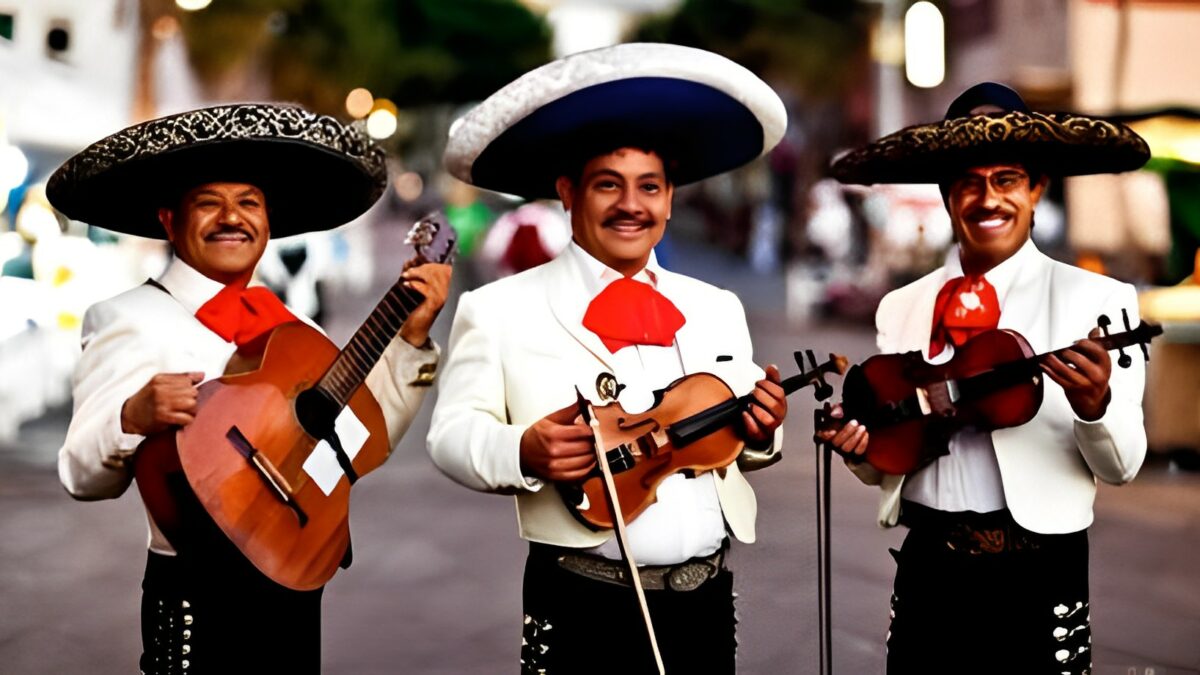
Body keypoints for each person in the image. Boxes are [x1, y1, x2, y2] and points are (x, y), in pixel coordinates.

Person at [48, 104, 450, 675]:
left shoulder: (293, 329)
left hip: (296, 589)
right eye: (209, 202)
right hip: (195, 593)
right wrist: (131, 417)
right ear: (169, 219)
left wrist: (410, 340)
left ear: (268, 222)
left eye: (249, 202)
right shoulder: (127, 317)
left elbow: (362, 440)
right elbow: (79, 475)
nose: (231, 217)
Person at [429, 43, 789, 674]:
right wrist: (524, 451)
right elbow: (452, 435)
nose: (631, 205)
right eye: (607, 185)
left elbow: (728, 437)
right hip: (579, 600)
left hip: (704, 598)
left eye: (649, 187)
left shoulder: (717, 306)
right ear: (568, 193)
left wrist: (761, 429)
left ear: (670, 199)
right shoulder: (498, 308)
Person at [821, 82, 1152, 673]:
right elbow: (887, 458)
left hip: (1039, 573)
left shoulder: (1096, 299)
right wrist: (859, 450)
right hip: (930, 571)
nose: (987, 198)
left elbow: (1122, 466)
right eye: (969, 181)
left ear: (1036, 188)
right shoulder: (902, 306)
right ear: (948, 196)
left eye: (1006, 179)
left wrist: (1096, 405)